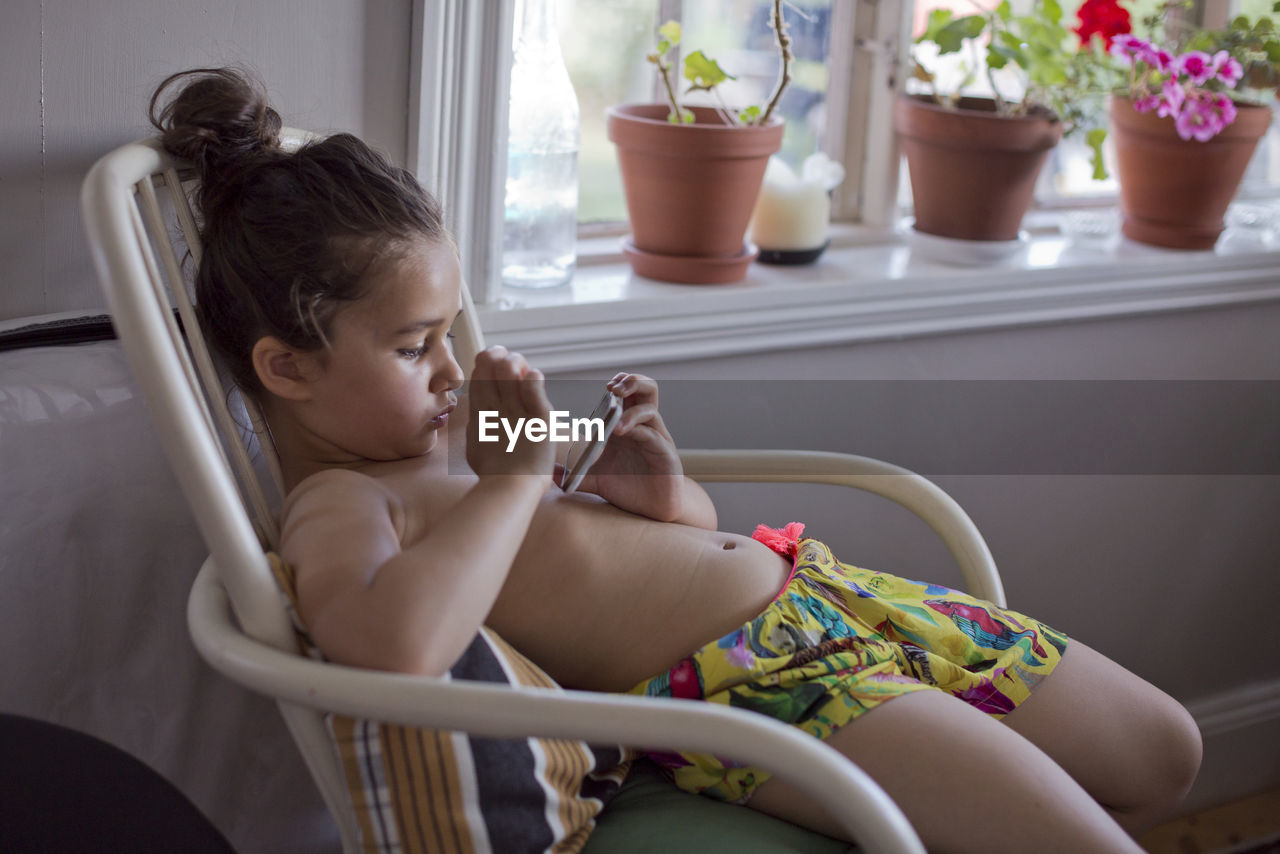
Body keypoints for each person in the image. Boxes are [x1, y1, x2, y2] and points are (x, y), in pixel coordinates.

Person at [149, 67, 1201, 854]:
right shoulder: (344, 499)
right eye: (413, 344)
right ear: (286, 367)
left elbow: (681, 530)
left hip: (828, 591)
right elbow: (393, 648)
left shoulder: (453, 433)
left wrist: (648, 478)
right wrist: (514, 481)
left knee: (1165, 753)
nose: (447, 367)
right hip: (770, 691)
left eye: (447, 331)